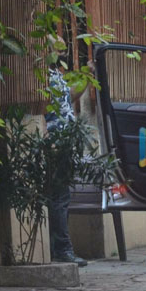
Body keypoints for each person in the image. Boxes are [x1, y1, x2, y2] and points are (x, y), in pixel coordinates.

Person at [45, 49, 94, 267]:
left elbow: (68, 98)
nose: (63, 51)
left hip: (64, 140)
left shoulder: (55, 73)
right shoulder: (40, 76)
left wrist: (87, 76)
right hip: (54, 140)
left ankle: (62, 249)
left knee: (62, 197)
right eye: (58, 47)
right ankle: (62, 250)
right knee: (59, 197)